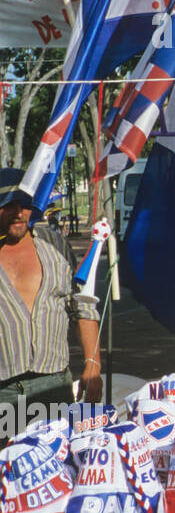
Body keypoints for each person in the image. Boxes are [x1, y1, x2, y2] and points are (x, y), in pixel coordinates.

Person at [0, 169, 102, 418]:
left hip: (53, 385)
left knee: (56, 445)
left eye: (25, 204)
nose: (19, 213)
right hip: (3, 391)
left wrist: (92, 364)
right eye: (9, 205)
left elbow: (82, 306)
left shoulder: (55, 245)